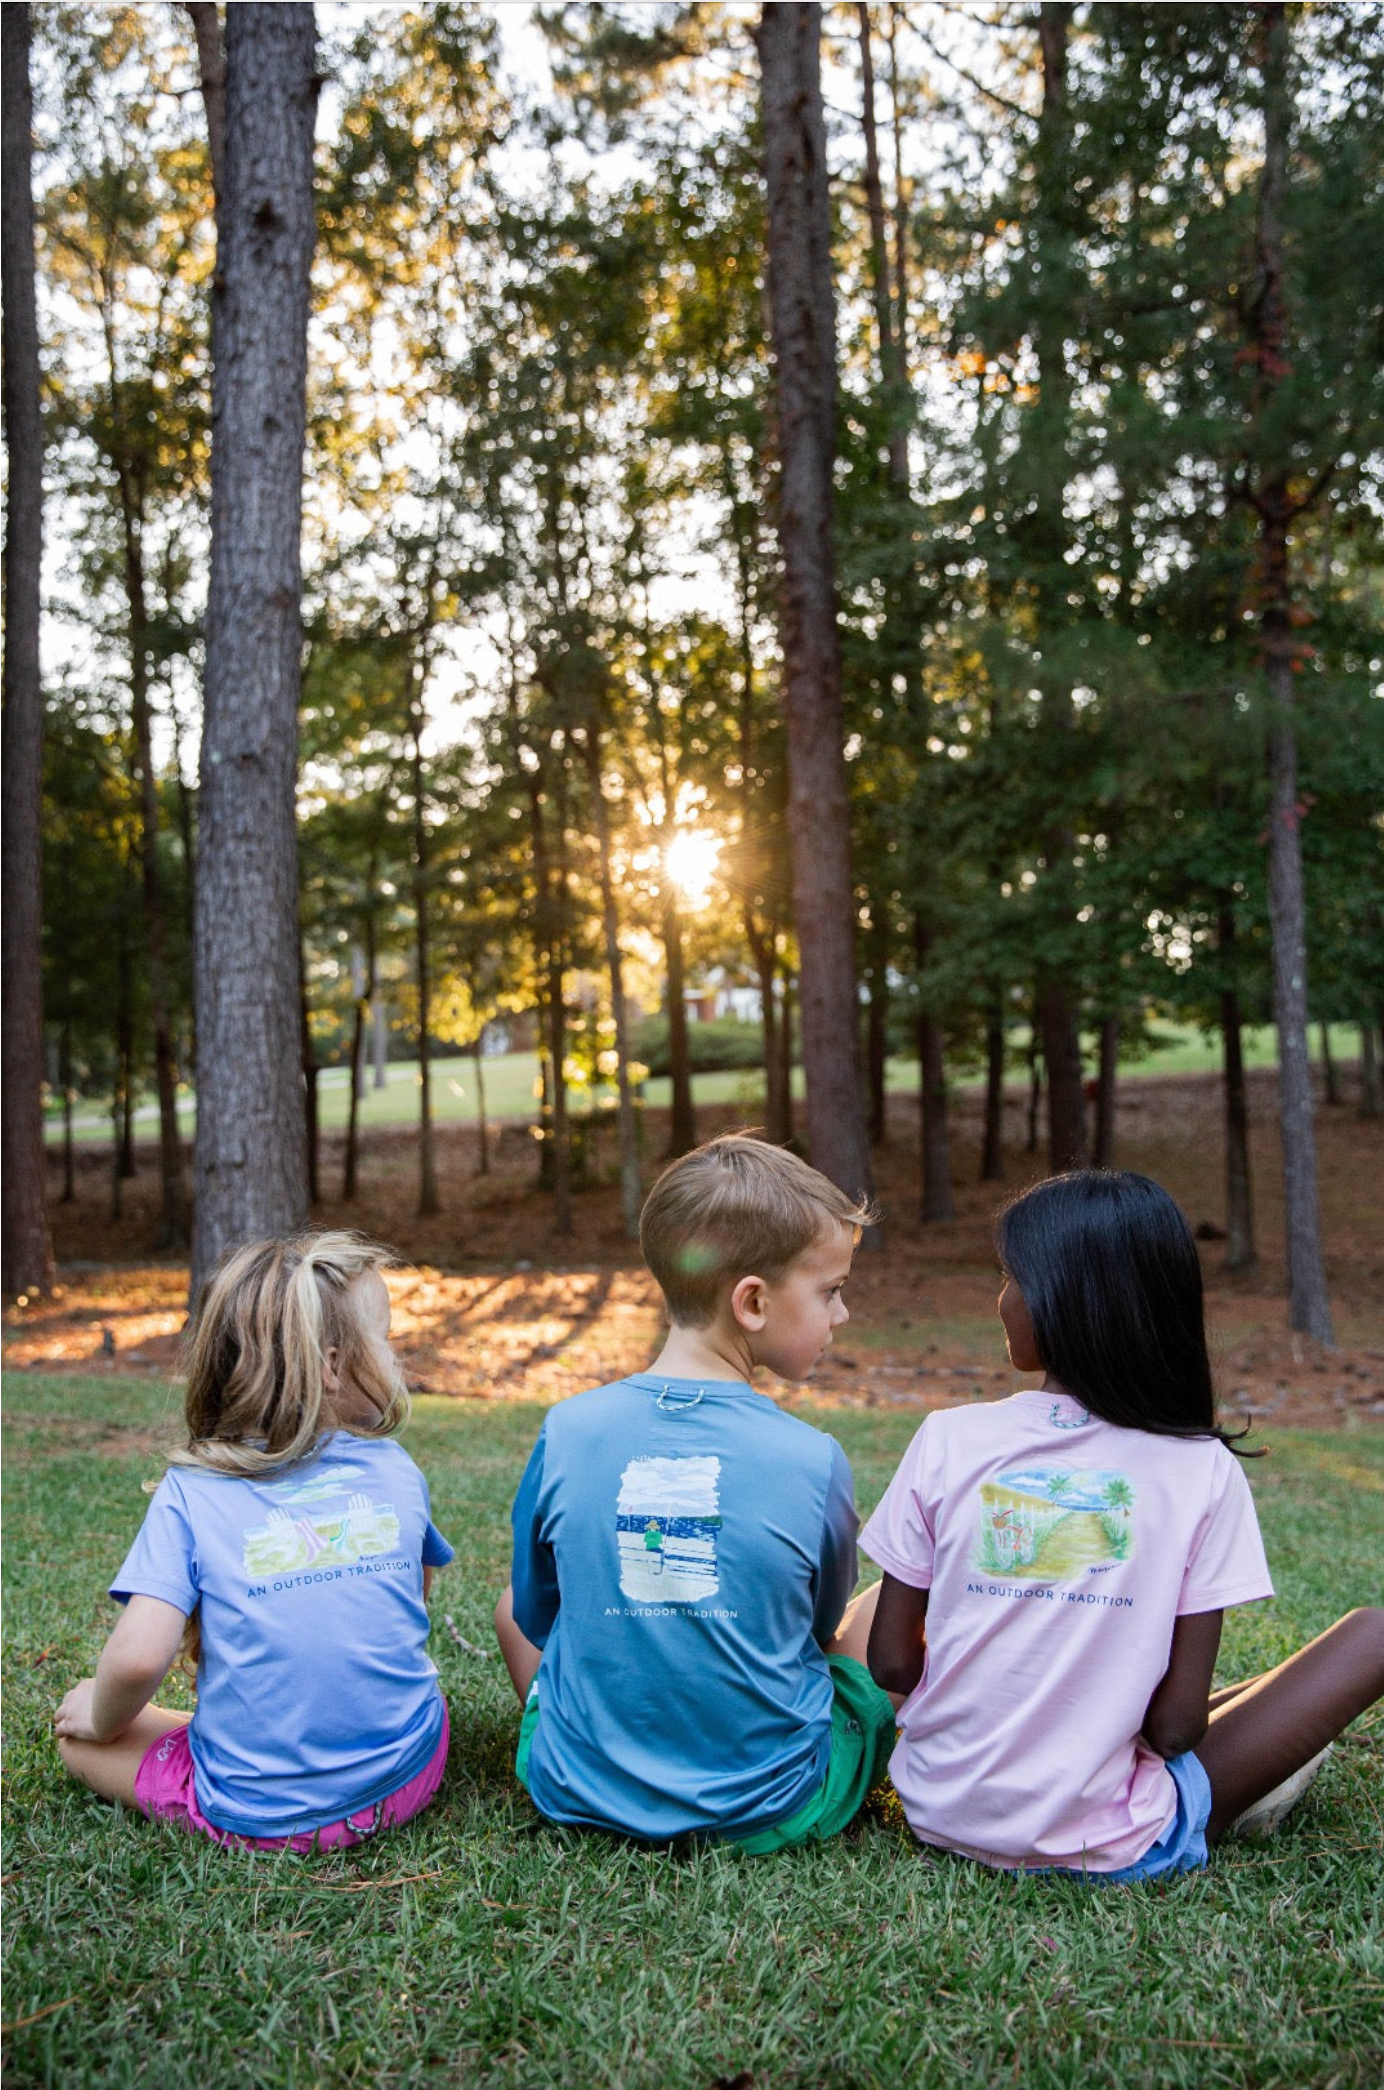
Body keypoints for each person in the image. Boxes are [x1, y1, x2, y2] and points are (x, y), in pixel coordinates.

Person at [864, 1170, 1384, 1879]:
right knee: (1372, 1634)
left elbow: (892, 1664)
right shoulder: (1199, 1469)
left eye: (1009, 1278)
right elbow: (1174, 1731)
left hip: (938, 1812)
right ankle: (1269, 1773)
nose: (1000, 1299)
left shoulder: (947, 1438)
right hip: (1110, 1841)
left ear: (1054, 1301)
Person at [494, 1134, 897, 1850]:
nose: (841, 1315)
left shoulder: (568, 1430)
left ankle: (603, 1757)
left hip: (578, 1789)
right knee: (888, 1607)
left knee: (504, 1606)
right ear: (752, 1302)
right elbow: (816, 1629)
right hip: (775, 1802)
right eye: (830, 1291)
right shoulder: (814, 1459)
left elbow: (534, 1611)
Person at [55, 1232, 454, 1852]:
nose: (398, 1359)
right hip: (411, 1771)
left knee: (76, 1737)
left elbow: (136, 1662)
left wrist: (99, 1715)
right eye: (388, 1340)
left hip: (264, 1815)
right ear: (331, 1364)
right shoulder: (393, 1466)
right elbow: (414, 1593)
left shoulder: (192, 1491)